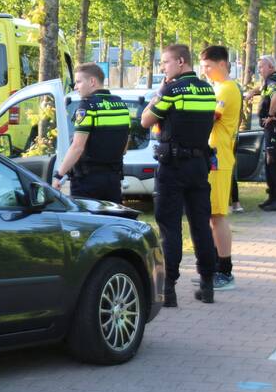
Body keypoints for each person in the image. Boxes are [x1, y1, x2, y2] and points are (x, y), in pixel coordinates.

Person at [141, 44, 219, 306]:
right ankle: (207, 284)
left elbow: (146, 120)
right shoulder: (208, 90)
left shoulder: (171, 90)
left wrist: (157, 94)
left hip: (173, 166)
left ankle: (169, 289)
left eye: (165, 62)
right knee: (201, 225)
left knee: (169, 227)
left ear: (181, 61)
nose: (163, 67)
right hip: (199, 165)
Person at [52, 63, 130, 202]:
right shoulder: (121, 105)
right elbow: (124, 147)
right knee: (111, 221)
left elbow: (77, 147)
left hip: (87, 182)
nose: (75, 87)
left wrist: (59, 175)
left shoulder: (87, 106)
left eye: (78, 82)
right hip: (113, 180)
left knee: (87, 222)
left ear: (92, 81)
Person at [200, 45, 242, 291]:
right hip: (212, 157)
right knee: (210, 216)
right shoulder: (218, 87)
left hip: (219, 158)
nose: (205, 72)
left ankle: (225, 271)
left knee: (217, 216)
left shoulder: (227, 89)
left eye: (208, 67)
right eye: (203, 67)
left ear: (222, 64)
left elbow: (210, 117)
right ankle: (215, 266)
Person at [245, 55, 276, 211]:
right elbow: (264, 88)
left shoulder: (273, 80)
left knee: (275, 162)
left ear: (270, 67)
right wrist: (253, 92)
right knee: (272, 161)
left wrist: (271, 115)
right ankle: (273, 196)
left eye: (261, 67)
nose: (259, 70)